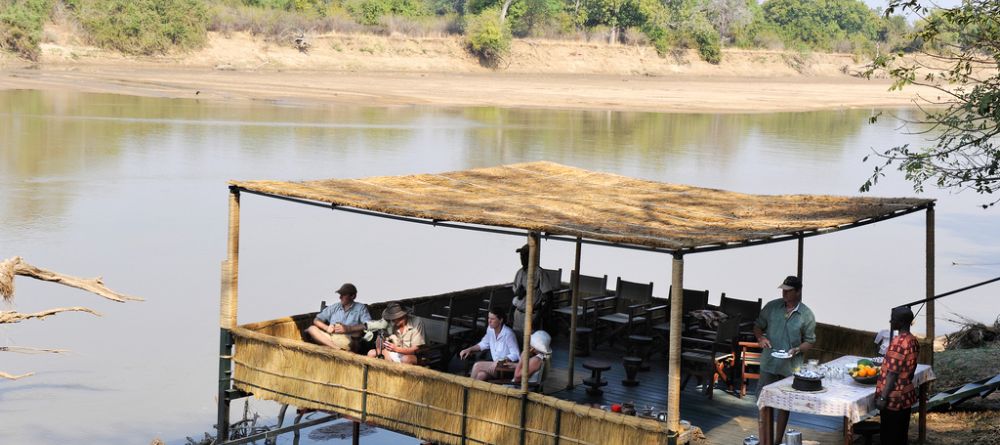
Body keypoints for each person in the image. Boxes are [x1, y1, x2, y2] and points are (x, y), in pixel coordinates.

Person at [754, 275, 817, 444]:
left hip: (790, 367)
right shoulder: (772, 307)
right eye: (783, 290)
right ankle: (763, 439)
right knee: (763, 401)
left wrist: (797, 349)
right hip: (769, 363)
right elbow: (758, 326)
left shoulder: (806, 315)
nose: (784, 294)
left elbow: (810, 341)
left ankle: (777, 440)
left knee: (784, 404)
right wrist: (761, 338)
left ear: (798, 292)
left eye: (788, 291)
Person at [876, 306, 919, 445]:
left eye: (893, 319)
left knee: (889, 436)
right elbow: (912, 369)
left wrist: (883, 397)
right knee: (901, 435)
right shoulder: (913, 340)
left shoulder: (898, 343)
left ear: (900, 322)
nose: (890, 321)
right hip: (905, 396)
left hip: (893, 399)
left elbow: (892, 374)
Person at [305, 283, 371, 351]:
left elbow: (368, 325)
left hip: (349, 340)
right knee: (311, 329)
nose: (340, 297)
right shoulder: (335, 307)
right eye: (340, 295)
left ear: (352, 296)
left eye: (343, 295)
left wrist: (349, 328)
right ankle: (337, 349)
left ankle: (331, 348)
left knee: (356, 335)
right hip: (330, 338)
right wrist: (327, 328)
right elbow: (316, 320)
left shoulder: (360, 308)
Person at [460, 308, 521, 380]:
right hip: (494, 366)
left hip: (505, 368)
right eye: (489, 318)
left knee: (477, 366)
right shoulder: (490, 329)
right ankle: (474, 390)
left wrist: (501, 360)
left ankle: (467, 389)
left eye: (492, 319)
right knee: (481, 375)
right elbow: (484, 344)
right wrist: (469, 349)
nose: (489, 321)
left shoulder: (508, 334)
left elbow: (516, 355)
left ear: (500, 320)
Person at [511, 244, 557, 333]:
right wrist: (511, 314)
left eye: (525, 255)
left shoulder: (539, 273)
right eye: (521, 255)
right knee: (518, 343)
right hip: (517, 315)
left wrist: (539, 316)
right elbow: (515, 296)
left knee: (530, 344)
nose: (522, 258)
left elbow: (549, 297)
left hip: (532, 315)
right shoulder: (519, 272)